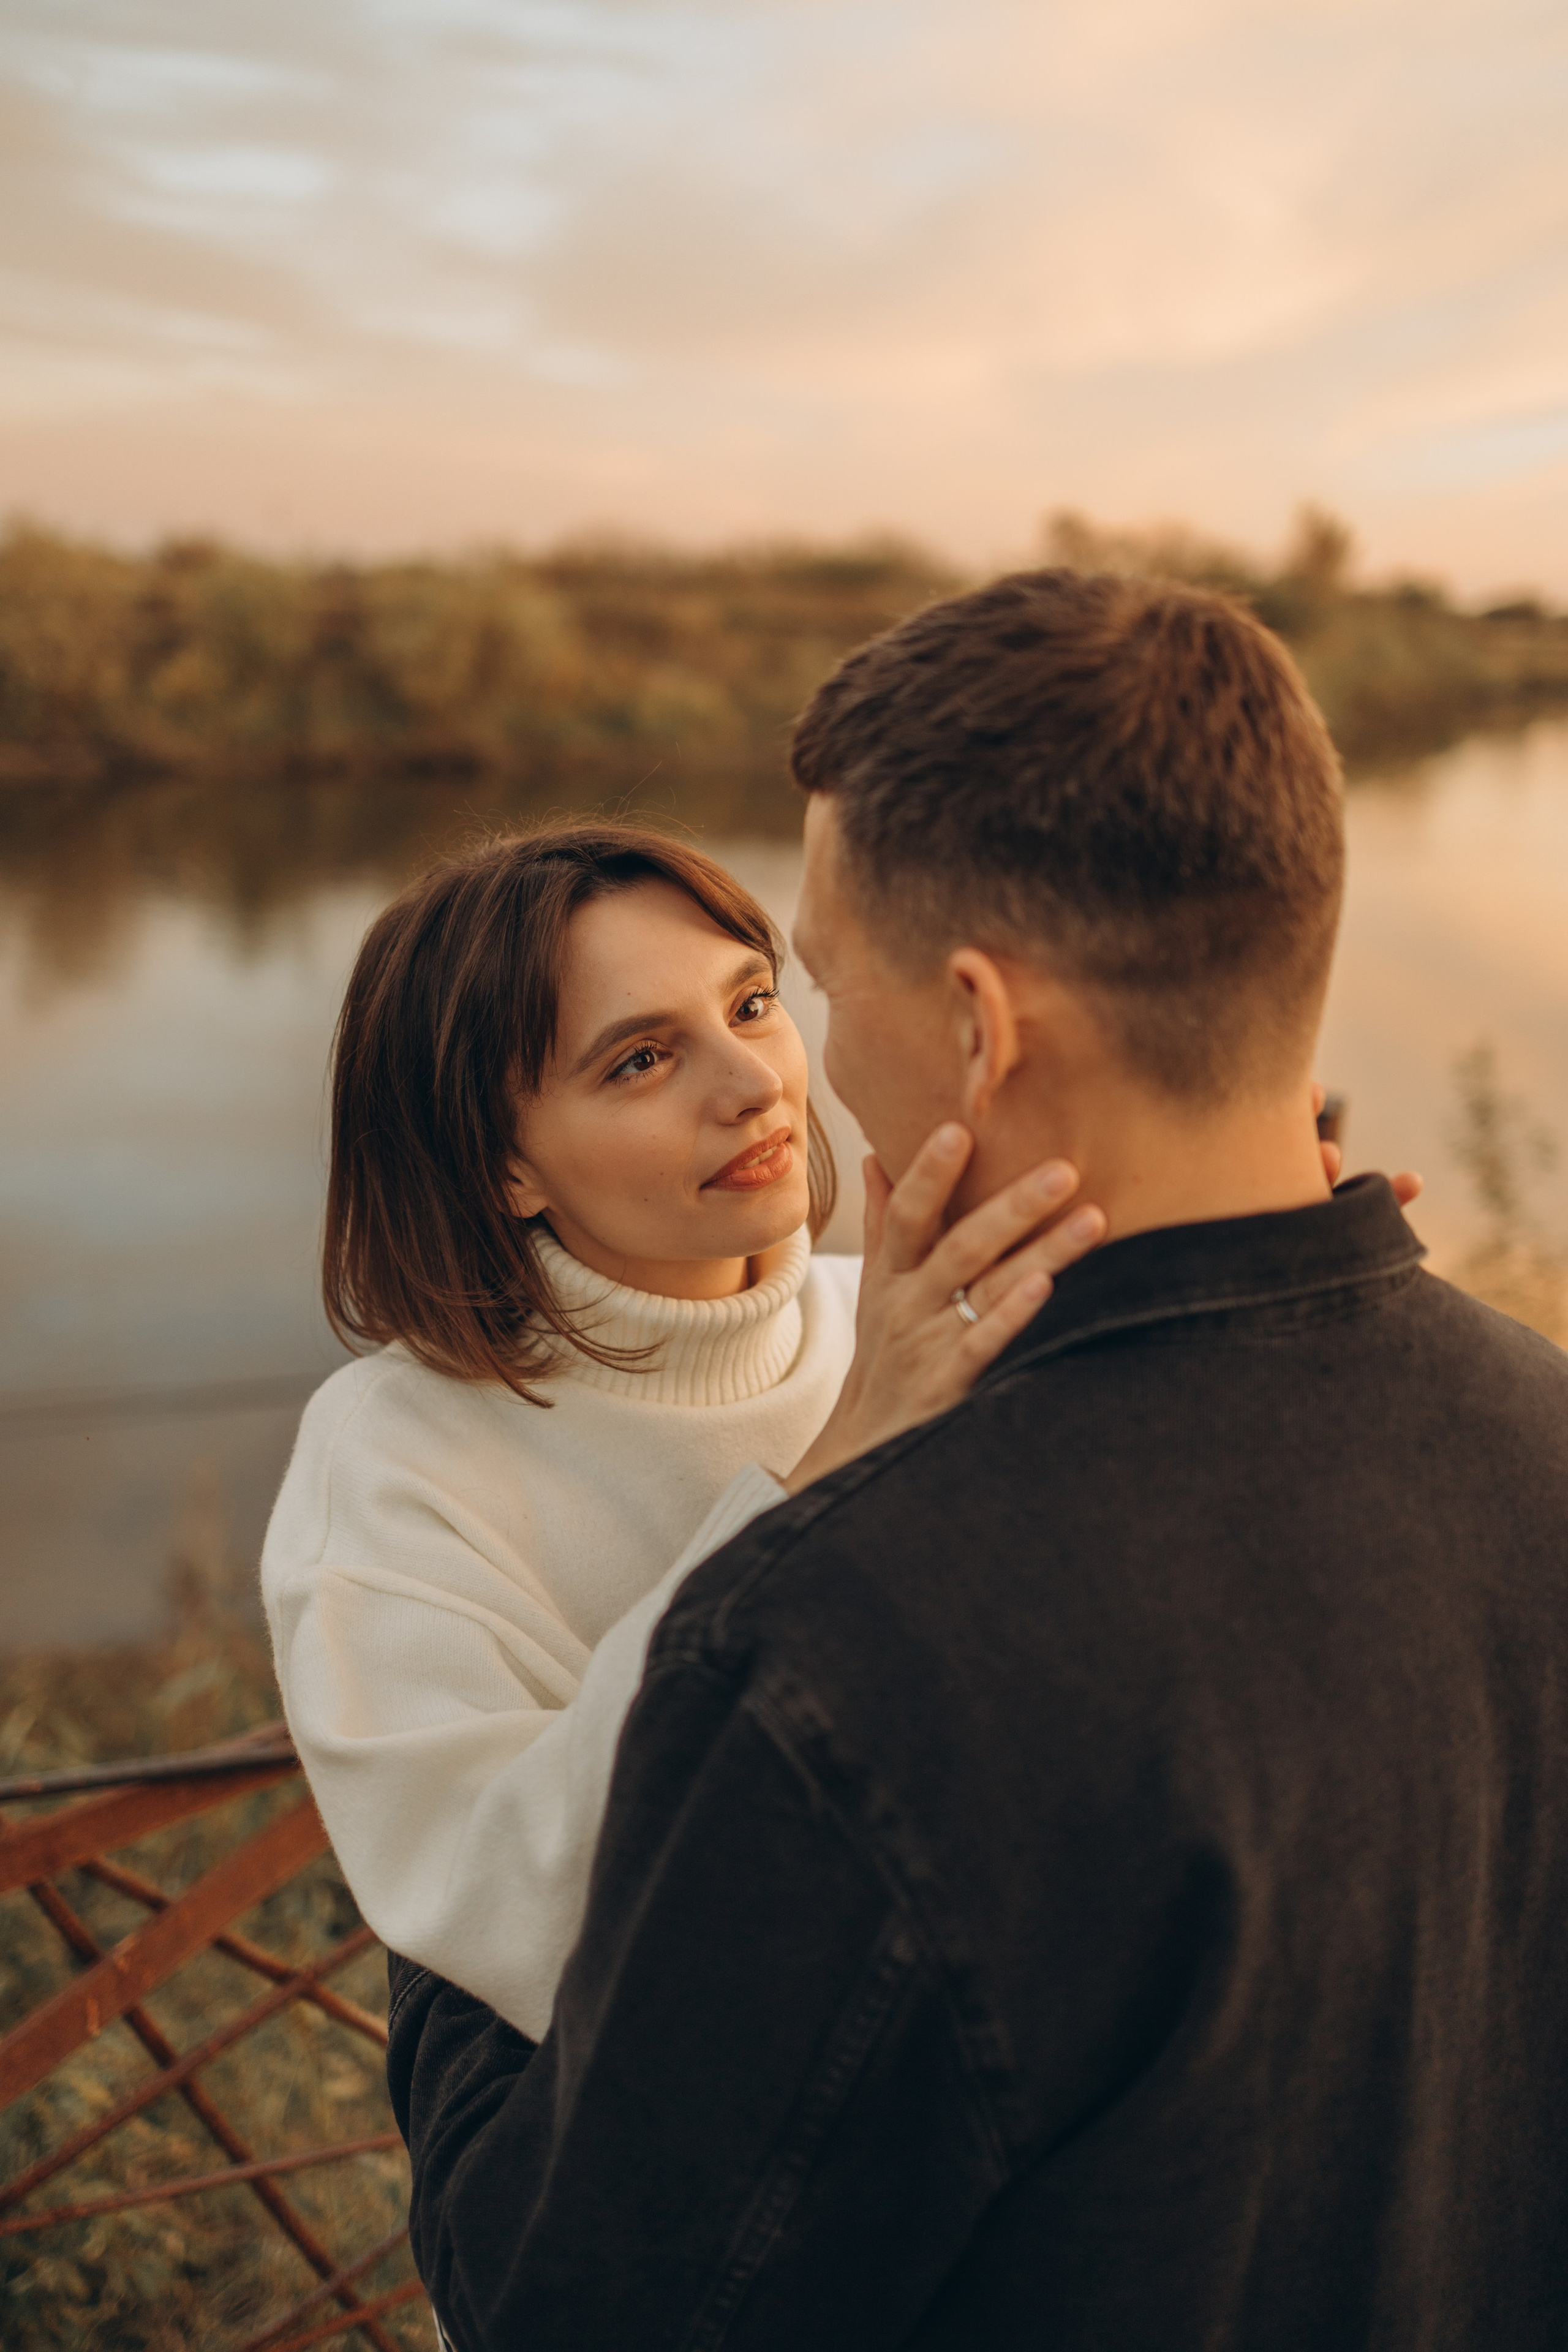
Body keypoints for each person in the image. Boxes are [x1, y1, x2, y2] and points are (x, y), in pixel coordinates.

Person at [385, 569, 1568, 2351]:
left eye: (815, 985)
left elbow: (571, 2309)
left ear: (975, 1026)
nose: (799, 1069)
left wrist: (433, 1943)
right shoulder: (1536, 1429)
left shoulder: (836, 1652)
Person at [262, 824, 1106, 2039]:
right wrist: (833, 1473)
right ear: (503, 1165)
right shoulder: (398, 1465)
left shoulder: (907, 1318)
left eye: (752, 1002)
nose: (755, 1081)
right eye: (641, 1060)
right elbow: (519, 1911)